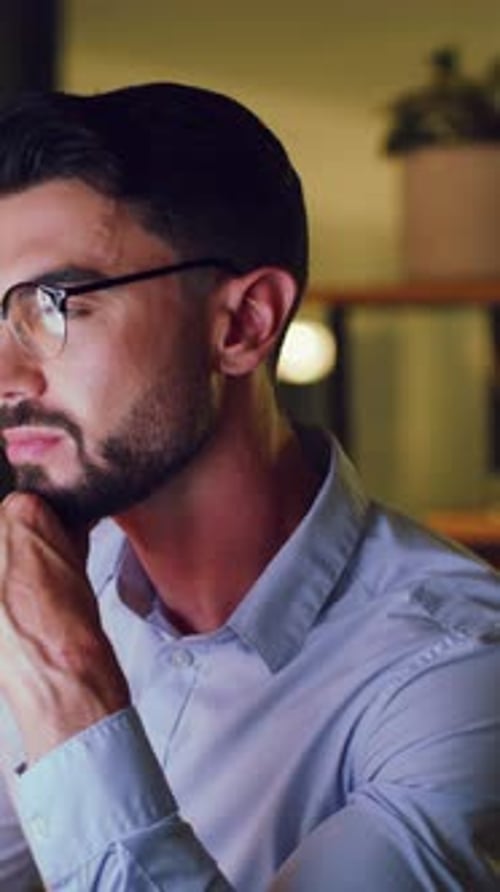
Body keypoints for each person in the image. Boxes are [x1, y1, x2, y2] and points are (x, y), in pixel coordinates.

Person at [0, 82, 496, 892]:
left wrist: (64, 676)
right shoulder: (48, 588)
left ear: (244, 324)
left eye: (52, 305)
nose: (7, 375)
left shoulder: (459, 674)